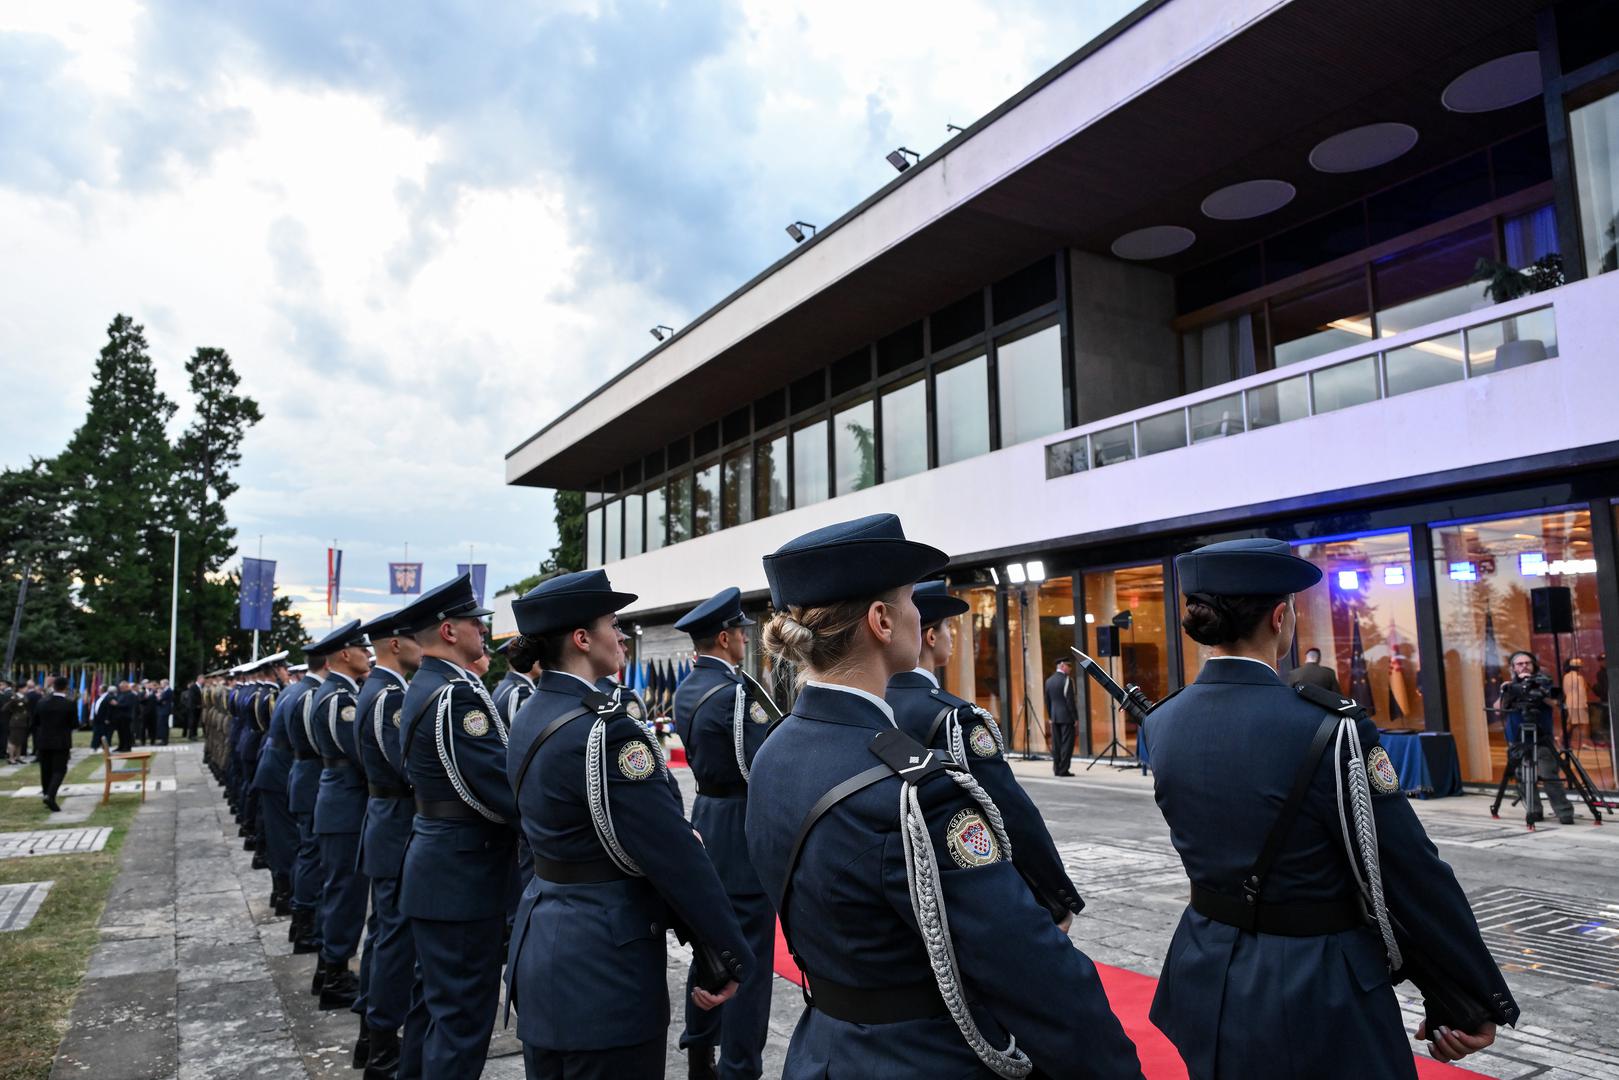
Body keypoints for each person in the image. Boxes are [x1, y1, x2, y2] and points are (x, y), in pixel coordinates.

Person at [746, 514, 1141, 1078]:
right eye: (909, 600)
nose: (918, 615)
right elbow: (1032, 971)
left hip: (822, 1054)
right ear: (881, 620)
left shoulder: (774, 752)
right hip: (921, 1058)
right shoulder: (917, 792)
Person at [1147, 538, 1516, 1077]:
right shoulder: (1330, 727)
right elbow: (1409, 868)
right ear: (1280, 617)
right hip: (1315, 981)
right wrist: (1476, 993)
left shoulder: (1163, 721)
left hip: (1204, 968)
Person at [504, 570, 749, 1079]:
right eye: (613, 624)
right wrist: (727, 954)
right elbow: (672, 854)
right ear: (582, 639)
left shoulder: (530, 711)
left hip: (542, 947)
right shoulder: (608, 730)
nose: (620, 636)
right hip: (603, 972)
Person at [889, 579, 1085, 924]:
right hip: (961, 885)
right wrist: (1056, 894)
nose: (953, 637)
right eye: (949, 628)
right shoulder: (956, 716)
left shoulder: (877, 703)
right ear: (931, 637)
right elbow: (1010, 810)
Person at [393, 573, 513, 1078]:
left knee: (435, 1012)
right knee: (462, 1024)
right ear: (448, 631)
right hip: (462, 875)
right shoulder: (456, 695)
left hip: (442, 866)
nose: (480, 632)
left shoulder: (430, 686)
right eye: (473, 623)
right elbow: (498, 784)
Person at [668, 586, 774, 1080]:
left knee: (711, 943)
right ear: (726, 637)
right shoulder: (735, 694)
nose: (744, 641)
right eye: (741, 634)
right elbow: (762, 765)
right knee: (748, 958)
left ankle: (698, 1051)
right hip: (738, 829)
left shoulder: (688, 688)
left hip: (706, 819)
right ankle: (739, 1066)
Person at [354, 609, 423, 1080]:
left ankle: (372, 1033)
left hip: (389, 820)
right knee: (393, 938)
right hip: (396, 821)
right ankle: (381, 1045)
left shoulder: (380, 690)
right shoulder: (388, 696)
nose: (423, 644)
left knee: (384, 933)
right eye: (413, 638)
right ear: (395, 645)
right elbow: (407, 767)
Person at [307, 621, 373, 1011]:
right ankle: (333, 975)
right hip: (345, 806)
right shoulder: (339, 700)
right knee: (345, 893)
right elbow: (361, 755)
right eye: (362, 650)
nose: (368, 655)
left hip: (342, 802)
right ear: (345, 655)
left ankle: (328, 967)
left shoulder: (336, 692)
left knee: (341, 890)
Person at [283, 649, 331, 956]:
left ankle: (302, 921)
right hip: (311, 779)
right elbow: (318, 744)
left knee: (308, 851)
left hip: (303, 778)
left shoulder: (297, 690)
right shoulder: (312, 694)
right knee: (311, 854)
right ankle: (305, 927)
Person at [1500, 650, 1572, 825]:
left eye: (1527, 663)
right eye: (1520, 663)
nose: (1524, 666)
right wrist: (1507, 690)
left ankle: (1564, 812)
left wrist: (1537, 690)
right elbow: (1498, 707)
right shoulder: (1510, 685)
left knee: (1549, 775)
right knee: (1524, 777)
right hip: (1518, 738)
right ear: (1513, 668)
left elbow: (1556, 704)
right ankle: (1534, 810)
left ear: (1534, 666)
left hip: (1541, 737)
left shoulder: (1543, 683)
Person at [252, 655, 298, 919]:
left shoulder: (288, 692)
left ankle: (282, 894)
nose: (286, 671)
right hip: (280, 770)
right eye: (284, 668)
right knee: (284, 841)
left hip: (275, 767)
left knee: (281, 838)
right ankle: (284, 896)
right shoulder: (294, 693)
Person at [35, 677, 76, 812]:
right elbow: (74, 724)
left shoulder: (41, 702)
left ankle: (46, 792)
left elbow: (36, 722)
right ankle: (50, 796)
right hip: (61, 741)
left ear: (53, 686)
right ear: (65, 687)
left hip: (43, 740)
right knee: (59, 770)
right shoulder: (69, 704)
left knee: (45, 769)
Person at [1044, 657, 1077, 776]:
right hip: (1066, 717)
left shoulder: (1049, 681)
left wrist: (1050, 716)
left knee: (1056, 744)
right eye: (1069, 666)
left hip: (1054, 716)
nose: (1070, 669)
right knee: (1067, 745)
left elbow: (1047, 701)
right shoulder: (1067, 680)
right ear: (1062, 665)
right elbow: (1070, 701)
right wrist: (1075, 718)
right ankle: (1063, 769)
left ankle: (1056, 769)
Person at [1562, 658, 1589, 750]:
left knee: (1571, 723)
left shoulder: (1566, 676)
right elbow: (1582, 692)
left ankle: (1564, 741)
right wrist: (1585, 704)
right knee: (1583, 724)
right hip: (1578, 703)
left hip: (1569, 702)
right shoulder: (1579, 678)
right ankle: (1584, 743)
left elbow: (1565, 691)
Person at [3, 681, 26, 765]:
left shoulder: (24, 697)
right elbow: (5, 708)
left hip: (23, 722)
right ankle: (11, 758)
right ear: (20, 689)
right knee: (13, 740)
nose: (26, 689)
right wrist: (14, 713)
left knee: (20, 740)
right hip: (15, 722)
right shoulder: (14, 697)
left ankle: (18, 757)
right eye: (25, 688)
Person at [110, 680, 136, 753]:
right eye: (120, 687)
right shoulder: (120, 694)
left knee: (126, 732)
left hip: (126, 716)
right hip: (119, 717)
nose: (120, 688)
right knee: (120, 732)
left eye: (122, 687)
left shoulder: (131, 695)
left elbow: (127, 705)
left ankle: (127, 747)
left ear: (126, 687)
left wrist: (116, 704)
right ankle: (121, 746)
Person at [156, 679, 173, 744]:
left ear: (165, 684)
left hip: (164, 710)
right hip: (163, 710)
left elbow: (161, 700)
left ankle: (164, 740)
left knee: (163, 725)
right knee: (163, 725)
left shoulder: (168, 691)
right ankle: (164, 739)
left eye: (161, 684)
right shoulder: (165, 691)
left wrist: (158, 698)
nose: (161, 685)